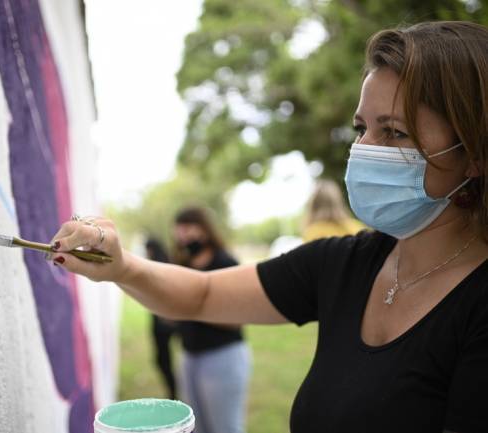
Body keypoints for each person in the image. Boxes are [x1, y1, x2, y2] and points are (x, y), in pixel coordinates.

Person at [48, 21, 488, 433]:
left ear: (473, 153)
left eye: (394, 133)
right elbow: (202, 296)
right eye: (361, 128)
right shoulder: (347, 262)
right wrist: (121, 267)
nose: (363, 149)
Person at [170, 207, 250, 433]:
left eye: (187, 228)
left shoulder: (225, 262)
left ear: (204, 229)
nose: (182, 235)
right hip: (189, 357)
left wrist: (193, 309)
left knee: (226, 428)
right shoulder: (182, 265)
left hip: (222, 357)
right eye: (178, 229)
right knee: (195, 428)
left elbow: (238, 319)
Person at [144, 237, 178, 400]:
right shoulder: (167, 262)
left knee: (163, 360)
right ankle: (173, 391)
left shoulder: (156, 265)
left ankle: (173, 392)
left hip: (164, 320)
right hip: (165, 319)